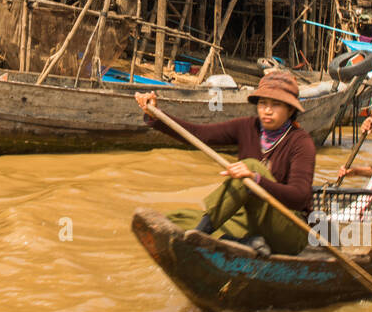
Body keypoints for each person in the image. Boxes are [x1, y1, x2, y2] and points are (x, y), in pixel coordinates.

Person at [135, 71, 315, 256]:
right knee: (176, 219)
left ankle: (199, 236)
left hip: (288, 229)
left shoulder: (301, 142)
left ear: (290, 110)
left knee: (250, 167)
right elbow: (200, 134)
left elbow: (300, 197)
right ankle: (238, 242)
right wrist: (156, 116)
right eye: (263, 103)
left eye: (276, 105)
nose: (267, 111)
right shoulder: (247, 127)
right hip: (250, 222)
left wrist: (256, 180)